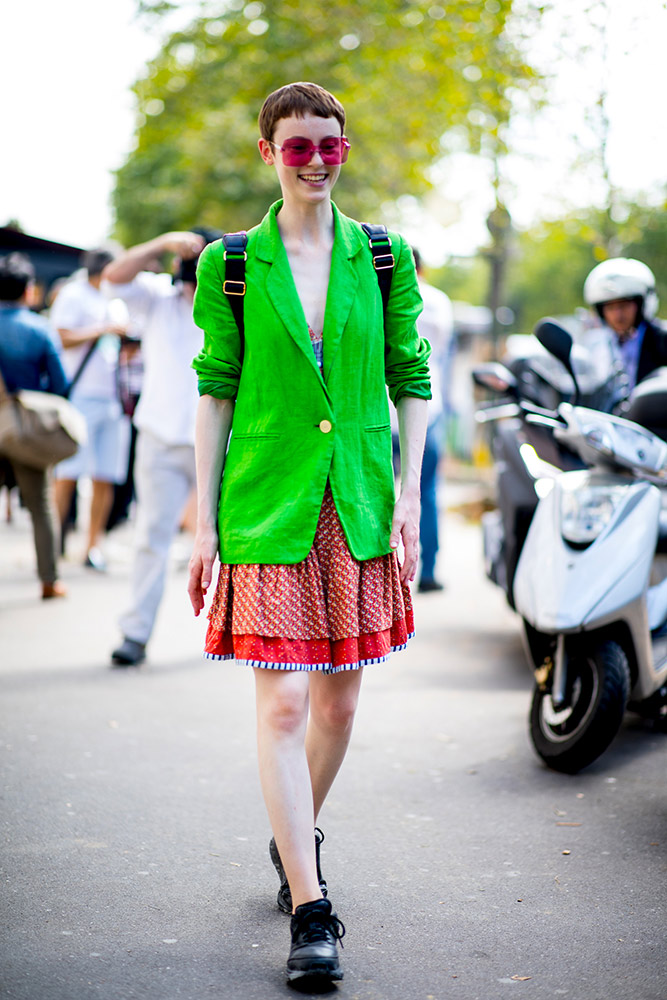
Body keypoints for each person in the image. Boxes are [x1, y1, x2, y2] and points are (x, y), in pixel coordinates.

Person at [187, 82, 431, 986]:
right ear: (267, 153)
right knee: (284, 703)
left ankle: (294, 835)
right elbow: (215, 386)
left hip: (359, 498)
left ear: (344, 149)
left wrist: (407, 492)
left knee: (338, 706)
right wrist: (203, 521)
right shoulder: (235, 264)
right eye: (297, 147)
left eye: (329, 145)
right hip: (267, 500)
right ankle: (310, 907)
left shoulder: (384, 255)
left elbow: (411, 374)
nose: (316, 159)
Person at [102, 228, 218, 667]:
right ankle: (135, 633)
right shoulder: (156, 300)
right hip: (160, 437)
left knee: (234, 542)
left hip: (220, 443)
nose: (182, 270)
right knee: (152, 535)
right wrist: (162, 241)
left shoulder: (236, 304)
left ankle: (240, 633)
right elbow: (114, 277)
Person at [51, 249, 130, 570]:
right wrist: (103, 329)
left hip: (113, 397)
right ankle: (54, 544)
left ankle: (92, 546)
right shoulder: (73, 293)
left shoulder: (116, 299)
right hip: (80, 396)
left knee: (105, 475)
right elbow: (61, 336)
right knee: (68, 473)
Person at [0, 253, 68, 598]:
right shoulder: (40, 330)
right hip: (25, 430)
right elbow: (60, 383)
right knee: (40, 506)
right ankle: (49, 581)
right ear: (28, 290)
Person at [397, 247, 454, 592]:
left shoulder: (381, 293)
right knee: (426, 491)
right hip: (428, 409)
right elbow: (442, 351)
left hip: (383, 410)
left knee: (375, 493)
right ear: (424, 268)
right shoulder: (438, 301)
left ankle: (380, 572)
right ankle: (428, 571)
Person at [583, 257, 667, 391]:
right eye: (610, 308)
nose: (618, 315)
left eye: (624, 305)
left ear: (641, 305)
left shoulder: (662, 340)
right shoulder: (596, 347)